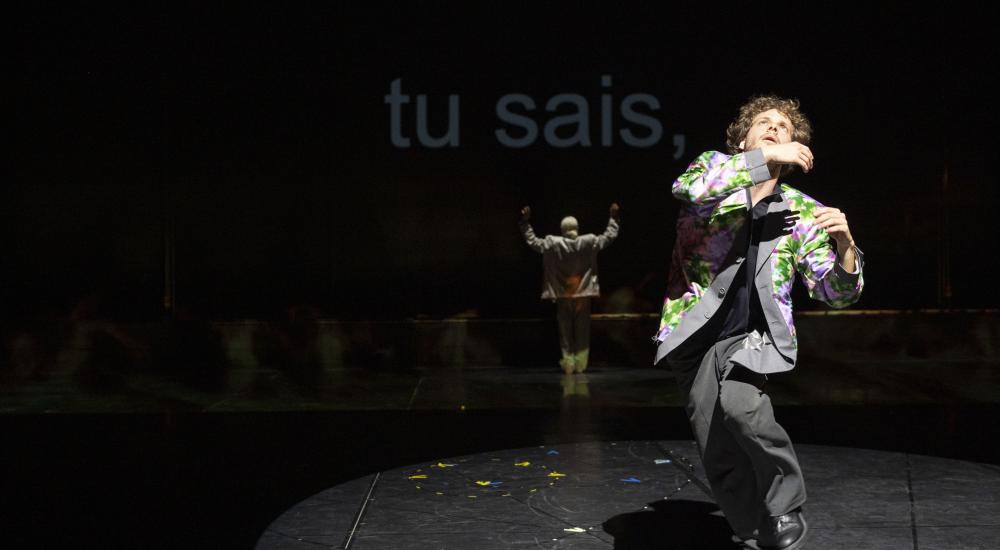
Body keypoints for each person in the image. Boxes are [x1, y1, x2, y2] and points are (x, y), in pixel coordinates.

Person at [654, 95, 864, 550]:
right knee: (717, 446)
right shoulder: (714, 174)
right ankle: (756, 529)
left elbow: (834, 294)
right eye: (762, 123)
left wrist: (846, 247)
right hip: (695, 331)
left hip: (755, 335)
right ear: (743, 138)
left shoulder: (804, 211)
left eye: (783, 128)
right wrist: (764, 158)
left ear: (797, 147)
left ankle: (785, 505)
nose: (773, 129)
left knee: (744, 409)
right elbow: (685, 189)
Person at [520, 203, 620, 374]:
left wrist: (525, 223)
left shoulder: (553, 243)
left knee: (565, 331)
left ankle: (568, 363)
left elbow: (533, 242)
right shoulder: (588, 241)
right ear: (577, 228)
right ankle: (581, 364)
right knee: (582, 330)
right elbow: (608, 237)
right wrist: (613, 218)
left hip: (563, 294)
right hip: (583, 294)